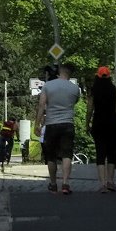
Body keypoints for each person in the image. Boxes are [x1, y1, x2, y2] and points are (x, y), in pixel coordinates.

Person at [35, 61, 81, 194]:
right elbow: (74, 103)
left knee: (51, 156)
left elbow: (41, 105)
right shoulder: (75, 89)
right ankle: (65, 184)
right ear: (70, 73)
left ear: (60, 70)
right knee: (67, 154)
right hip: (67, 124)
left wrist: (37, 125)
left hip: (51, 124)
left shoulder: (48, 86)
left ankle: (53, 183)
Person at [86, 66, 116, 192]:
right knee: (112, 153)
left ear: (98, 76)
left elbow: (90, 110)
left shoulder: (93, 91)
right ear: (109, 76)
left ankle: (102, 184)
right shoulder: (115, 91)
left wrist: (87, 124)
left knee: (100, 153)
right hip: (112, 124)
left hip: (98, 124)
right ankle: (111, 181)